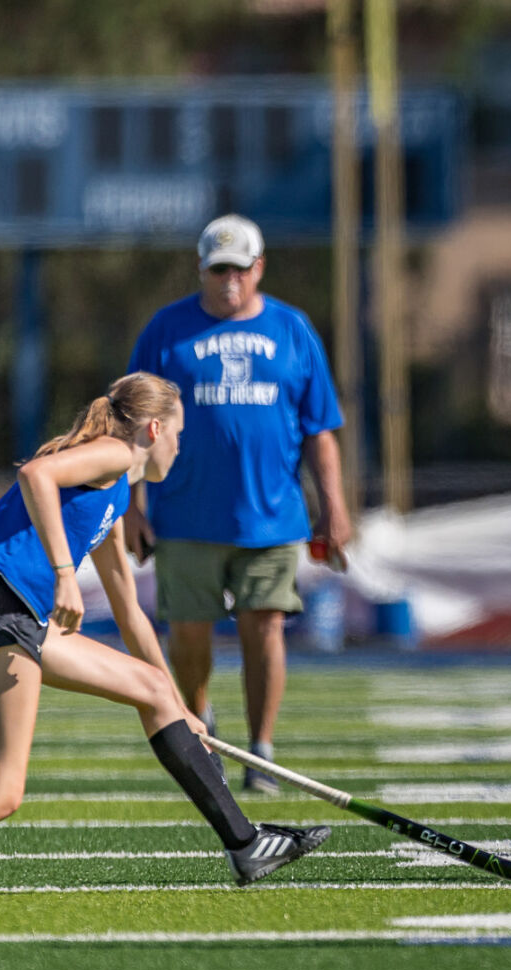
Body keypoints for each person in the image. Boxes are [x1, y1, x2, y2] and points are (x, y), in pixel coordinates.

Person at [0, 375, 330, 902]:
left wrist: (183, 710)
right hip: (2, 607)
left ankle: (245, 843)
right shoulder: (114, 455)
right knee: (1, 792)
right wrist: (65, 572)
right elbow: (37, 474)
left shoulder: (114, 498)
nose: (179, 448)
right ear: (155, 428)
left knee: (146, 691)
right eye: (179, 435)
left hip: (5, 613)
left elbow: (131, 617)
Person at [122, 214, 352, 793]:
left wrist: (336, 506)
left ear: (260, 269)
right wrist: (132, 506)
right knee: (190, 637)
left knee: (265, 628)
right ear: (202, 269)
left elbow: (320, 428)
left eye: (240, 270)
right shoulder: (166, 330)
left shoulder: (293, 329)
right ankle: (201, 728)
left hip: (272, 515)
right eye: (218, 270)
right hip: (184, 515)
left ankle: (260, 749)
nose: (229, 281)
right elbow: (132, 423)